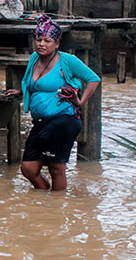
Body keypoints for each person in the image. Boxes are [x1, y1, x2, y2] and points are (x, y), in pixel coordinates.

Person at [7, 15, 101, 191]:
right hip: (41, 122)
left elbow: (93, 79)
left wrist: (80, 102)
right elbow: (31, 81)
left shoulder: (67, 61)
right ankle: (44, 202)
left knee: (56, 168)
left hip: (63, 120)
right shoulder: (34, 58)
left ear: (57, 43)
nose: (41, 44)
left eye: (47, 40)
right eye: (39, 39)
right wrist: (21, 91)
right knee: (28, 168)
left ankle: (56, 209)